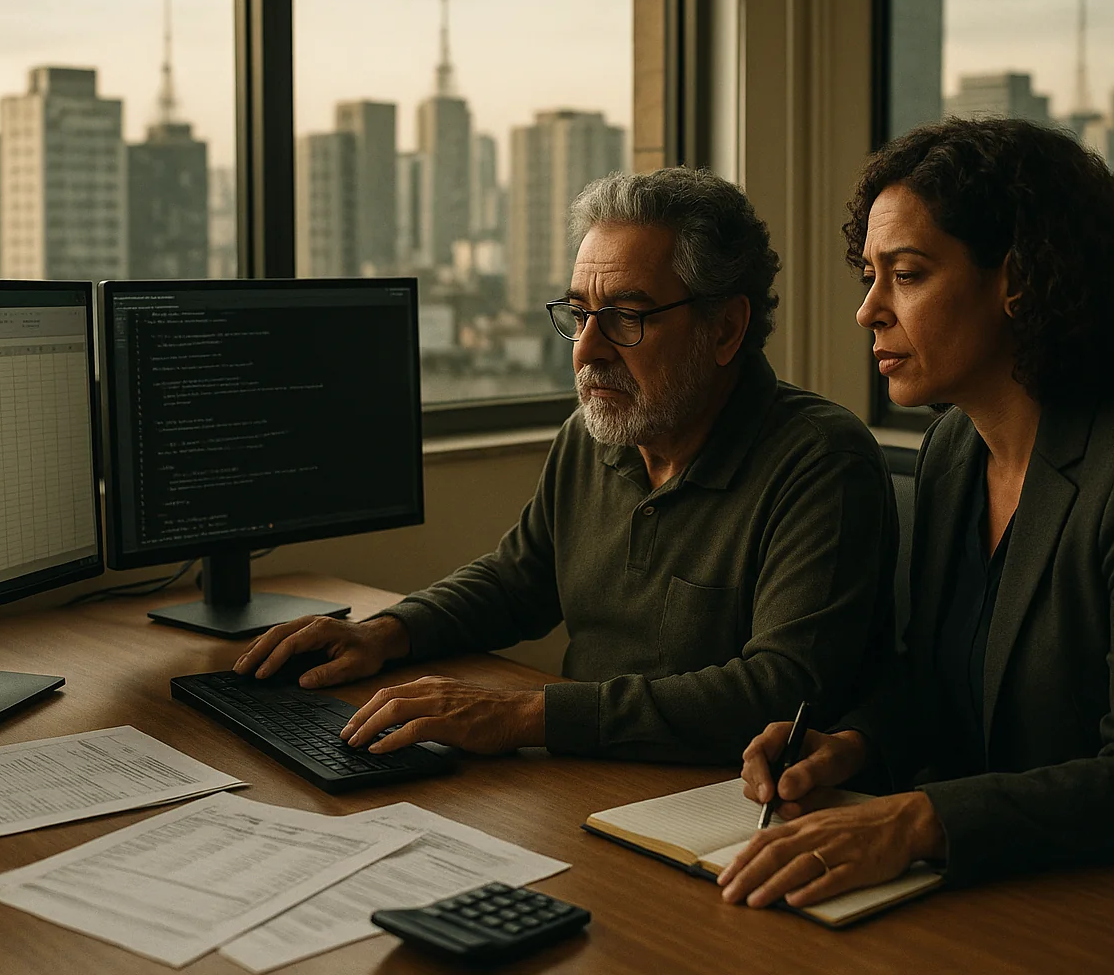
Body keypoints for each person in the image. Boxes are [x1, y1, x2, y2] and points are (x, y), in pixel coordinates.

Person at [717, 116, 1114, 913]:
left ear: (1018, 279)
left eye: (907, 275)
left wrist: (917, 820)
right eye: (869, 276)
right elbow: (938, 679)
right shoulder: (955, 450)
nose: (869, 311)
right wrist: (850, 746)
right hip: (1006, 882)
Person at [233, 167, 897, 763]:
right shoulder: (595, 434)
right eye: (578, 315)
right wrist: (387, 632)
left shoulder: (819, 462)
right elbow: (517, 582)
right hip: (586, 775)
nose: (586, 352)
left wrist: (525, 715)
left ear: (724, 329)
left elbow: (779, 690)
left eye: (626, 318)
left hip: (721, 804)